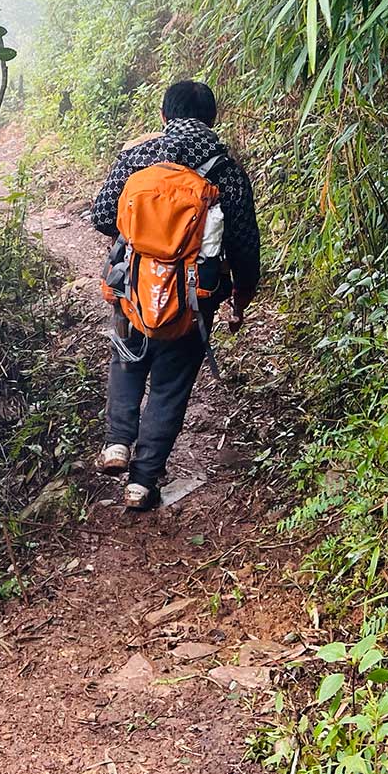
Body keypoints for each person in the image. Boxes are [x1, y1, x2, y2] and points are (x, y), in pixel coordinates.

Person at [89, 79, 260, 511]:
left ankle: (116, 443)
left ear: (163, 117)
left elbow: (104, 215)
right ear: (212, 119)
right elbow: (243, 245)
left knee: (127, 357)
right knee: (170, 385)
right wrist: (240, 297)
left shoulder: (140, 155)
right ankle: (142, 484)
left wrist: (149, 236)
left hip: (134, 284)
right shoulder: (227, 173)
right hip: (192, 299)